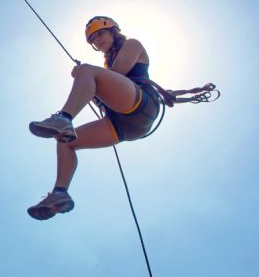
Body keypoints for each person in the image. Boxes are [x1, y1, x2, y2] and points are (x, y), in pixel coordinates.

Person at [27, 16, 160, 220]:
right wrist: (88, 80)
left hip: (142, 105)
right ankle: (59, 195)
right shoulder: (107, 65)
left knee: (88, 70)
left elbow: (119, 74)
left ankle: (64, 118)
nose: (97, 40)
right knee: (65, 142)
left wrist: (86, 75)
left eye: (100, 34)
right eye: (93, 40)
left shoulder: (132, 44)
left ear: (113, 31)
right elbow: (105, 94)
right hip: (124, 124)